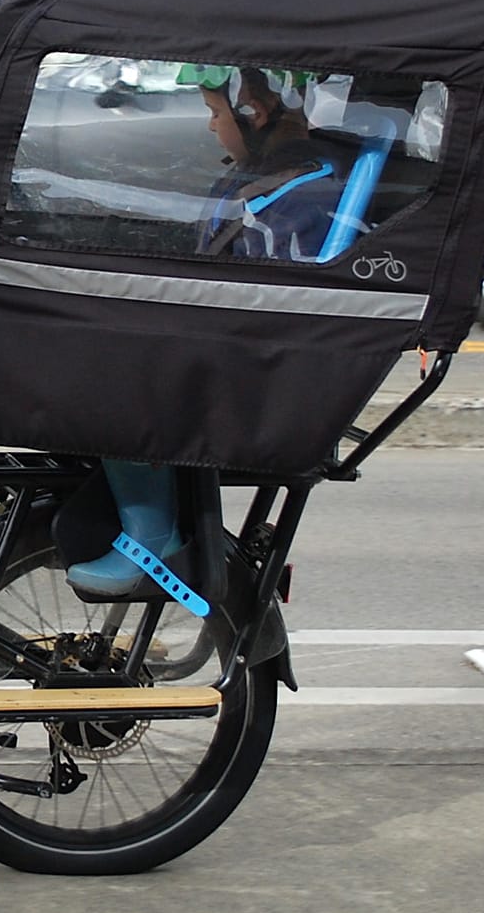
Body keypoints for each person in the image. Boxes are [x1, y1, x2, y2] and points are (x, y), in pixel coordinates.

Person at [69, 65, 344, 598]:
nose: (211, 127)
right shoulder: (277, 184)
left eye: (216, 113)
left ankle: (152, 539)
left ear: (254, 113)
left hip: (254, 379)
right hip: (233, 352)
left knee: (109, 379)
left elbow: (264, 306)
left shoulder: (298, 204)